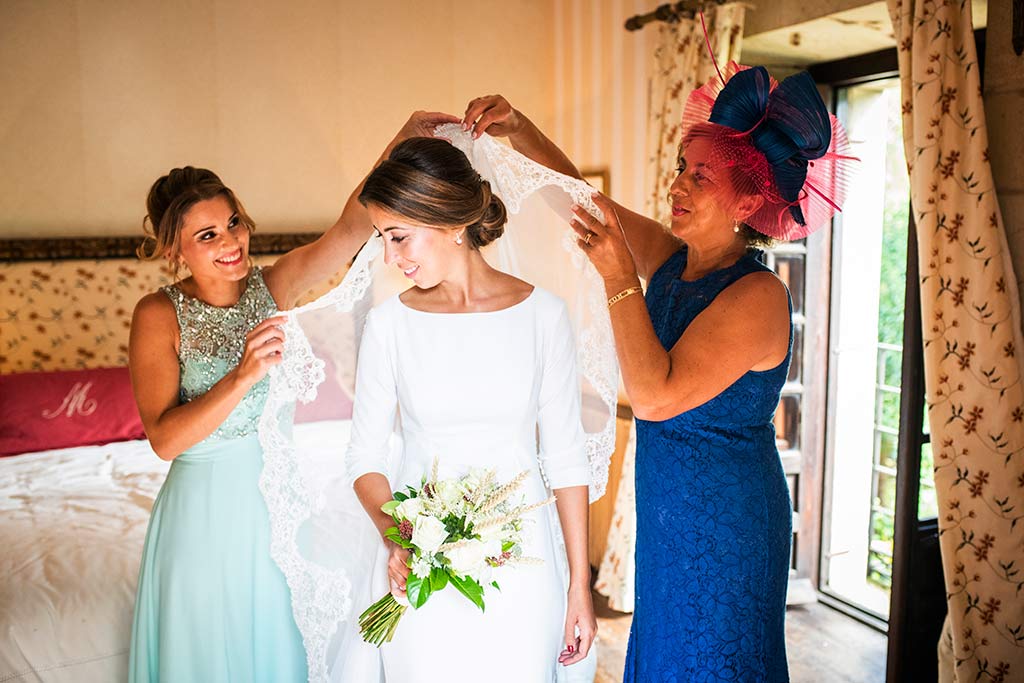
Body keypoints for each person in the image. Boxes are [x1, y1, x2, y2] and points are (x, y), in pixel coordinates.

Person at [463, 62, 853, 682]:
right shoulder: (675, 262)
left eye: (703, 176)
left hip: (729, 525)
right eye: (681, 167)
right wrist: (521, 130)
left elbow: (654, 396)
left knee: (712, 660)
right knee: (668, 651)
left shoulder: (760, 296)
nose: (679, 185)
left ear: (748, 201)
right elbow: (585, 205)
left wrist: (619, 277)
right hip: (670, 513)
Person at [127, 112, 458, 683]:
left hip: (275, 508)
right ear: (175, 249)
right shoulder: (158, 314)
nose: (231, 242)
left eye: (233, 223)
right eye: (207, 235)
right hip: (201, 515)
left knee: (276, 648)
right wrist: (241, 375)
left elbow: (351, 230)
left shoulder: (272, 286)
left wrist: (401, 140)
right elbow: (162, 439)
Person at [346, 136, 597, 682]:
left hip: (524, 566)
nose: (390, 258)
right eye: (383, 239)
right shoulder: (389, 325)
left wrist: (579, 584)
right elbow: (363, 457)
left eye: (398, 237)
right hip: (416, 566)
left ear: (450, 222)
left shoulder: (543, 317)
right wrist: (398, 539)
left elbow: (567, 459)